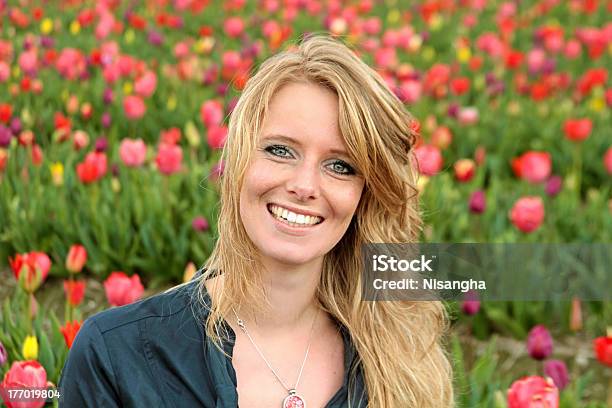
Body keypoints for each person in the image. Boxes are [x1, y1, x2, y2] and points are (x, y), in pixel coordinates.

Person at [59, 33, 453, 407]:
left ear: (366, 194)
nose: (304, 185)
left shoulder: (399, 361)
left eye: (340, 165)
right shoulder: (117, 355)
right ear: (238, 161)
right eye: (280, 150)